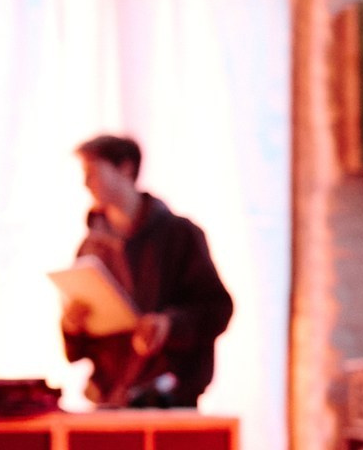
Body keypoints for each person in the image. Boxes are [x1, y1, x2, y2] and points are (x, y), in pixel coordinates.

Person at [62, 135, 234, 409]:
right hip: (108, 403)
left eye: (93, 171)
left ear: (125, 168)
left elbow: (216, 309)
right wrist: (72, 326)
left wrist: (169, 325)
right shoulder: (90, 247)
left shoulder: (180, 235)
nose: (86, 183)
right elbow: (81, 347)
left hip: (169, 401)